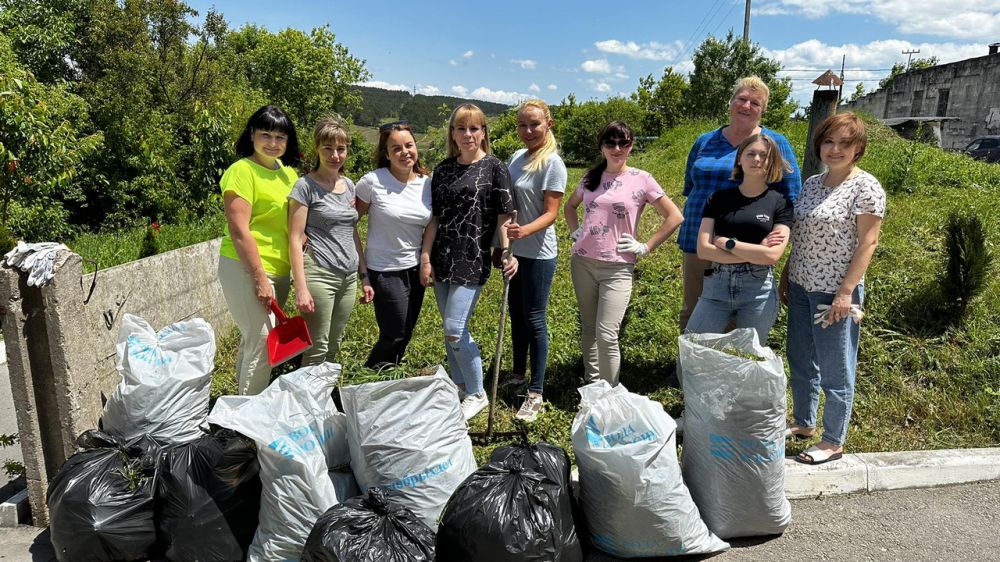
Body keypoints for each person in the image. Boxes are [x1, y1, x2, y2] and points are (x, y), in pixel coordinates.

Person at [780, 112, 886, 465]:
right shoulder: (812, 183)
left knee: (836, 367)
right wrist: (787, 273)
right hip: (800, 284)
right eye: (829, 141)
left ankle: (832, 440)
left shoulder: (865, 187)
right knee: (800, 357)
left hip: (835, 292)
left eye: (845, 143)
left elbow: (868, 243)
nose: (835, 149)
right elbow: (803, 235)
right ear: (819, 145)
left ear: (858, 148)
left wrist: (845, 292)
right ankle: (805, 422)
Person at [564, 121, 684, 386]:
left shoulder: (642, 179)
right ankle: (592, 385)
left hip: (618, 268)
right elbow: (569, 207)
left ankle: (612, 393)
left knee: (607, 333)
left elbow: (674, 216)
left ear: (630, 145)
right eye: (611, 143)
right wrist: (575, 230)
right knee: (589, 328)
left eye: (624, 143)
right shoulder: (589, 178)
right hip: (583, 262)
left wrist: (646, 246)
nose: (617, 148)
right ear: (602, 146)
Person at [678, 76, 801, 331]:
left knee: (736, 316)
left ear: (763, 109)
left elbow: (790, 198)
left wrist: (777, 238)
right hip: (697, 239)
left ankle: (730, 369)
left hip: (747, 244)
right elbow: (690, 188)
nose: (746, 106)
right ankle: (688, 368)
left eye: (755, 102)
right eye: (742, 99)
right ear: (731, 102)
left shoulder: (774, 144)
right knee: (694, 309)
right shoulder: (705, 141)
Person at [421, 104, 517, 420]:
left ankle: (477, 393)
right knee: (449, 330)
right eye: (461, 128)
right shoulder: (444, 169)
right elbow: (435, 218)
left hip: (472, 258)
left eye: (474, 128)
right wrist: (425, 257)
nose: (468, 135)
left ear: (483, 132)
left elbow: (505, 217)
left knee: (454, 329)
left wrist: (506, 252)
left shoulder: (495, 168)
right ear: (453, 133)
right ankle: (460, 386)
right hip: (442, 257)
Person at [217, 105, 301, 395]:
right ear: (251, 134)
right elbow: (239, 229)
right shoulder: (241, 171)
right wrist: (259, 278)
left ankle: (237, 412)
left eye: (280, 137)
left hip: (280, 269)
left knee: (254, 340)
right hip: (246, 269)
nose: (273, 143)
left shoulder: (289, 174)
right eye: (266, 134)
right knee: (264, 340)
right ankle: (246, 423)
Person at [686, 133, 794, 344]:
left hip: (758, 291)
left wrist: (729, 243)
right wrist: (755, 252)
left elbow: (772, 256)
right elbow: (704, 250)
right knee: (694, 346)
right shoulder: (718, 198)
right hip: (716, 285)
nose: (756, 159)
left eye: (763, 155)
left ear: (771, 161)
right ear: (739, 159)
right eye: (750, 154)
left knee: (748, 357)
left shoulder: (781, 203)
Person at [501, 99, 568, 422]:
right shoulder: (516, 157)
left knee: (534, 318)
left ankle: (536, 391)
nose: (528, 131)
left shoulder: (552, 163)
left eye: (535, 124)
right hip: (515, 252)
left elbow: (551, 213)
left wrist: (521, 231)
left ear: (548, 124)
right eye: (522, 125)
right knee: (516, 314)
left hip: (538, 253)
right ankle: (516, 373)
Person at [288, 116, 372, 367]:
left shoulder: (348, 185)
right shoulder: (305, 187)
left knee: (335, 342)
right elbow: (294, 238)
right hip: (319, 273)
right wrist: (301, 287)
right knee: (317, 345)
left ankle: (323, 397)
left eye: (341, 148)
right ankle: (306, 403)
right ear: (317, 148)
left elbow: (352, 231)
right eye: (328, 148)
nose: (335, 155)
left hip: (347, 277)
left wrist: (364, 275)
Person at [355, 121, 433, 367]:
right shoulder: (372, 182)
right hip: (385, 270)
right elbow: (347, 224)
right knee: (395, 333)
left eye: (409, 145)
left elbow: (433, 222)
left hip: (414, 268)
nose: (404, 152)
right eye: (396, 148)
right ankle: (364, 383)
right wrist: (364, 272)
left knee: (406, 331)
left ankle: (387, 380)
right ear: (386, 153)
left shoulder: (427, 183)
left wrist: (425, 260)